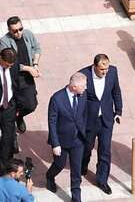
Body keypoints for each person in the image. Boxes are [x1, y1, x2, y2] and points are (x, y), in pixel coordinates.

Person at [78, 54, 123, 195]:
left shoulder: (113, 72)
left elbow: (116, 91)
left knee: (105, 150)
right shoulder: (83, 75)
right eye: (102, 69)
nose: (105, 72)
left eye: (107, 68)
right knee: (87, 146)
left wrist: (118, 110)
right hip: (89, 120)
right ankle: (82, 166)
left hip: (106, 119)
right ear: (95, 66)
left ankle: (102, 180)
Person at [46, 73, 88, 202]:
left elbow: (84, 114)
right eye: (83, 86)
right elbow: (52, 122)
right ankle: (50, 176)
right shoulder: (57, 99)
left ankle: (76, 198)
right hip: (62, 140)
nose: (85, 88)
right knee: (59, 164)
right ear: (74, 87)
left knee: (76, 170)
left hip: (78, 140)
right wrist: (55, 144)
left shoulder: (83, 95)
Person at [0, 16, 41, 140]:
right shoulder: (5, 41)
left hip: (27, 77)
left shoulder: (28, 34)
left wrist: (35, 64)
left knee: (31, 105)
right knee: (12, 104)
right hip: (13, 77)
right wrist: (29, 68)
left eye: (20, 29)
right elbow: (10, 63)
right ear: (9, 30)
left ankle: (18, 116)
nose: (18, 33)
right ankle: (10, 125)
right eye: (15, 31)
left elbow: (37, 48)